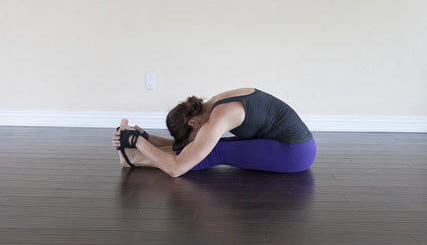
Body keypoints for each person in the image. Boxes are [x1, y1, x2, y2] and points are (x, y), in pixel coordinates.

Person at [112, 88, 316, 177]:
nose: (192, 141)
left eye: (189, 136)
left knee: (211, 151)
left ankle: (134, 159)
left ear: (192, 122)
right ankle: (137, 153)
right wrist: (148, 138)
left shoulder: (220, 117)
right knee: (208, 147)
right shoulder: (215, 103)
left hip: (294, 153)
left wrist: (137, 143)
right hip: (289, 145)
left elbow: (176, 169)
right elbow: (195, 145)